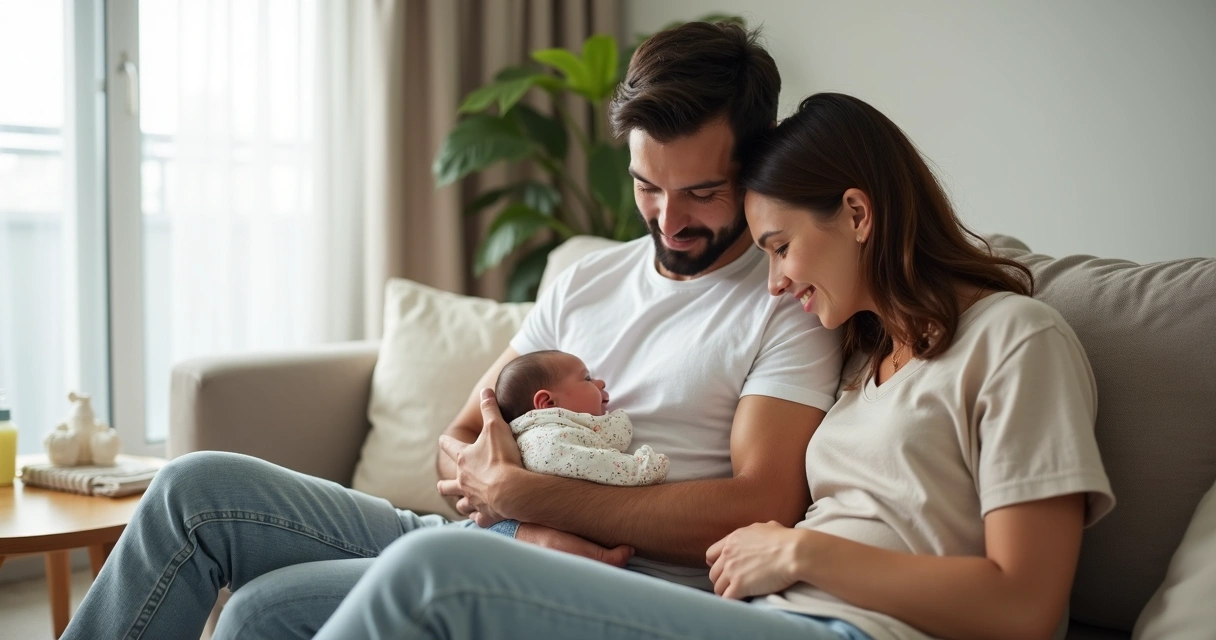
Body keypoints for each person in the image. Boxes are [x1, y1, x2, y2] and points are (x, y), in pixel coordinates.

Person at [62, 21, 842, 640]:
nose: (667, 221)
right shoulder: (587, 278)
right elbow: (462, 434)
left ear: (755, 166)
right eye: (646, 187)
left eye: (701, 193)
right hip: (494, 531)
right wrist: (520, 511)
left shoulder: (785, 300)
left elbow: (758, 503)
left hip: (622, 577)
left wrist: (530, 502)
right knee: (192, 490)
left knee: (261, 614)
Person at [310, 93, 1116, 640]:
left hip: (839, 628)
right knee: (279, 603)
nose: (774, 281)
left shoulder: (1018, 342)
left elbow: (1030, 607)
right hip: (769, 613)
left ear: (859, 214)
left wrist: (801, 552)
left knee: (437, 570)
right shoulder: (862, 358)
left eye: (782, 248)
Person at [496, 350, 670, 486]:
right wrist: (646, 468)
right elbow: (601, 466)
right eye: (587, 378)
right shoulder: (551, 441)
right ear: (548, 403)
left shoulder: (560, 432)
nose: (601, 382)